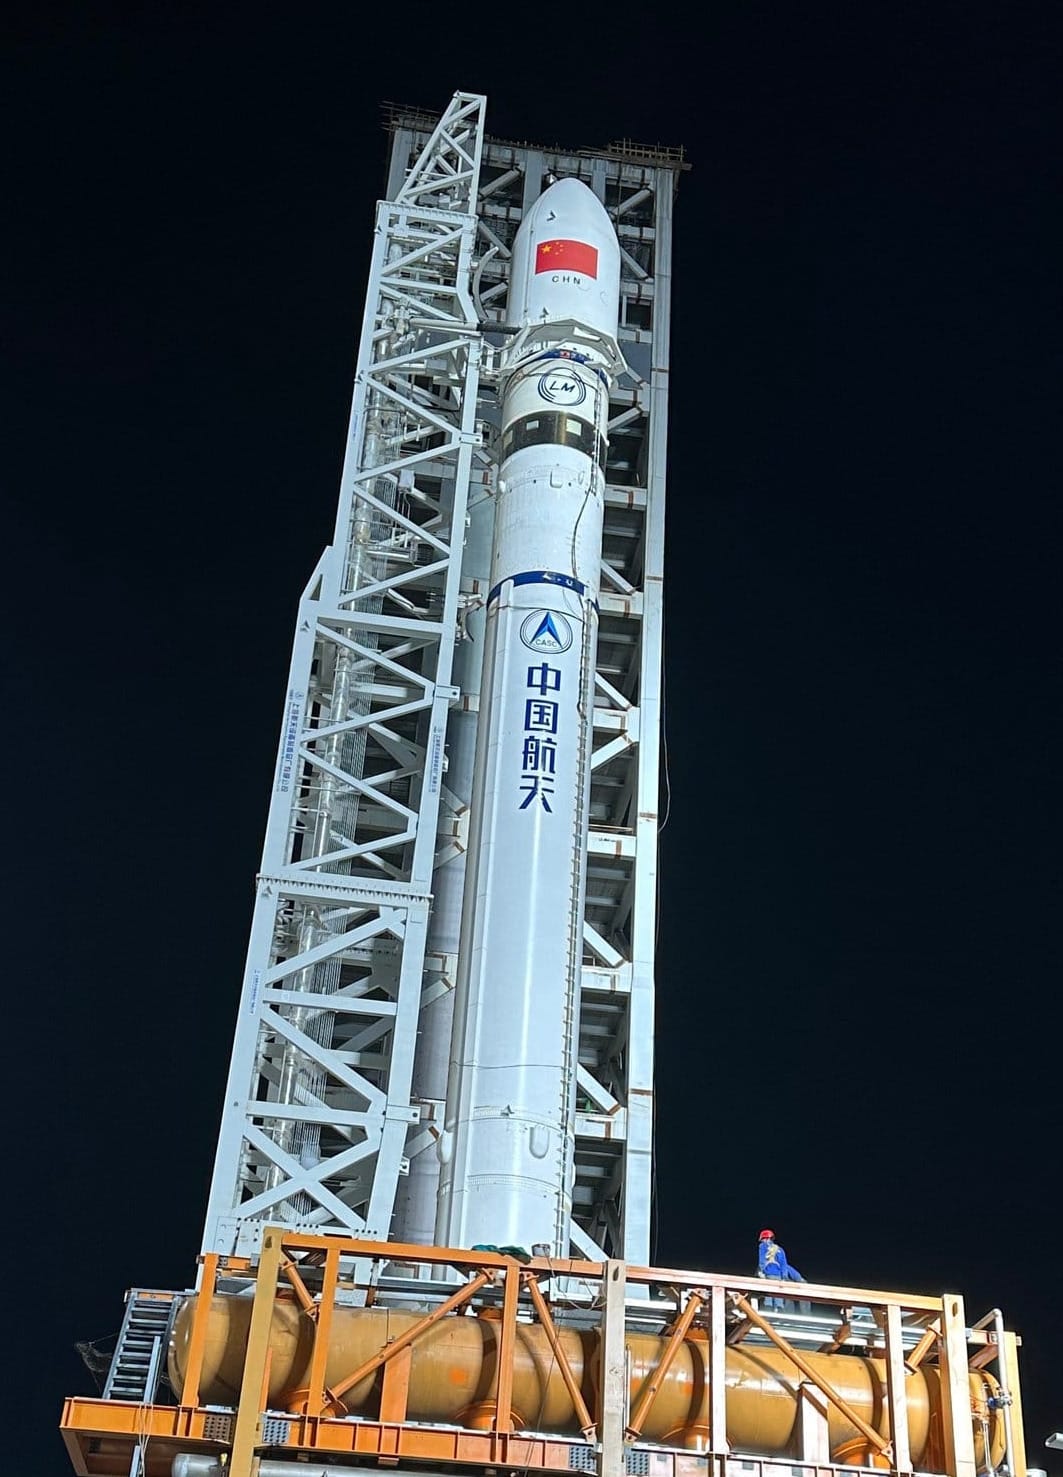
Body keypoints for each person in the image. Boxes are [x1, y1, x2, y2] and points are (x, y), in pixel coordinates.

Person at [757, 1228, 804, 1311]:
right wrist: (784, 1277)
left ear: (765, 1238)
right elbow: (784, 1264)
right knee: (778, 1297)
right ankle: (779, 1313)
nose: (762, 1241)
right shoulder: (780, 1249)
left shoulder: (762, 1246)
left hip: (769, 1274)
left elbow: (762, 1260)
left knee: (769, 1296)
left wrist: (761, 1272)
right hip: (779, 1276)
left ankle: (769, 1315)